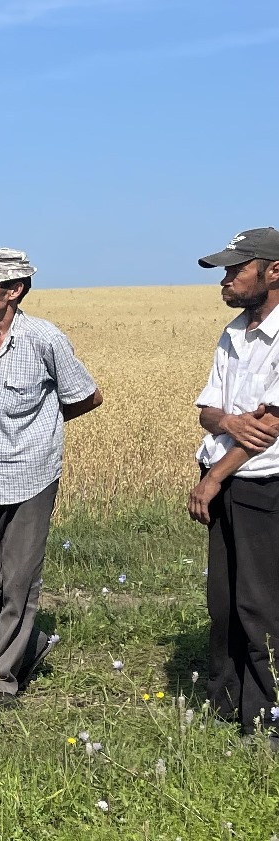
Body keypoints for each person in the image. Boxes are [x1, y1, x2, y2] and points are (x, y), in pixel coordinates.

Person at [0, 248, 102, 708]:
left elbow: (87, 395)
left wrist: (43, 425)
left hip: (32, 471)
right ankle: (30, 643)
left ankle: (2, 676)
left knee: (21, 579)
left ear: (15, 291)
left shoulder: (44, 338)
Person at [186, 227, 279, 746]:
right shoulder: (234, 332)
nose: (225, 280)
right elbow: (208, 411)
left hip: (264, 483)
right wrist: (227, 424)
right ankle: (229, 702)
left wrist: (213, 479)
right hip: (222, 478)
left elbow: (269, 428)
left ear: (274, 271)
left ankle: (266, 718)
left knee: (260, 602)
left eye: (234, 269)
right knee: (222, 600)